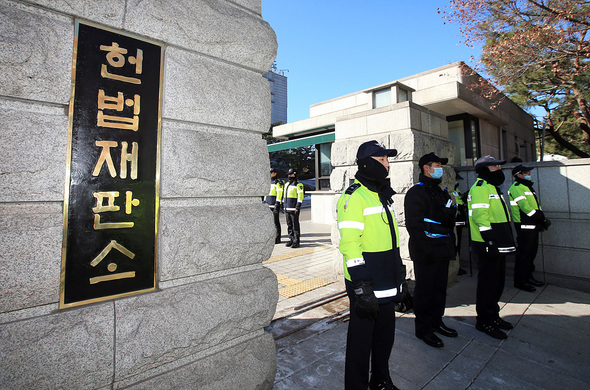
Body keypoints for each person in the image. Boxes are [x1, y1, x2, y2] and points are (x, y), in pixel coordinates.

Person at [337, 140, 403, 390]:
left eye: (388, 160)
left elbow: (391, 237)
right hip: (366, 280)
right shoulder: (354, 197)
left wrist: (399, 272)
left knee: (385, 335)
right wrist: (361, 285)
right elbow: (350, 244)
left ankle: (381, 380)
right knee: (361, 341)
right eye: (382, 160)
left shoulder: (382, 194)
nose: (387, 165)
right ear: (366, 164)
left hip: (387, 277)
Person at [404, 152, 458, 348]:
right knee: (425, 291)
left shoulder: (440, 191)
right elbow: (414, 225)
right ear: (426, 167)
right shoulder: (416, 192)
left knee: (439, 290)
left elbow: (450, 214)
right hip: (426, 252)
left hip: (443, 249)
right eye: (437, 165)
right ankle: (424, 329)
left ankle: (437, 322)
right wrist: (424, 250)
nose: (440, 168)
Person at [467, 155, 516, 340]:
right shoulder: (480, 188)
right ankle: (484, 321)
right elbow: (481, 217)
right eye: (495, 167)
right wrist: (490, 241)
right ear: (485, 169)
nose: (499, 170)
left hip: (497, 243)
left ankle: (493, 316)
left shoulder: (492, 187)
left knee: (497, 282)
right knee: (488, 284)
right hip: (487, 243)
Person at [508, 164, 551, 291]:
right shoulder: (516, 187)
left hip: (533, 224)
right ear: (519, 175)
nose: (528, 174)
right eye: (526, 172)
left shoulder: (528, 187)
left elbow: (536, 205)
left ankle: (528, 276)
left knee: (532, 253)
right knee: (524, 254)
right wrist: (540, 218)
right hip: (524, 225)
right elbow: (525, 207)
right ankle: (520, 280)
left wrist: (540, 219)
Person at [283, 168, 304, 248]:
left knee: (295, 225)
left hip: (294, 208)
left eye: (291, 174)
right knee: (289, 225)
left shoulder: (298, 184)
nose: (289, 176)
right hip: (287, 208)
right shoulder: (287, 184)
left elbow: (300, 196)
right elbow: (284, 196)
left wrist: (298, 206)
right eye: (289, 174)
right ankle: (291, 239)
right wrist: (283, 206)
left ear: (295, 174)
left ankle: (296, 241)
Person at [453, 169, 468, 275]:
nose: (457, 180)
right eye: (456, 179)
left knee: (459, 246)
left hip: (460, 221)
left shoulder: (456, 190)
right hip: (455, 222)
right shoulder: (450, 190)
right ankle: (456, 268)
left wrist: (464, 198)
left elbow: (460, 202)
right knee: (455, 246)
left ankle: (458, 267)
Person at [266, 168, 284, 244]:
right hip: (268, 204)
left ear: (275, 173)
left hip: (274, 204)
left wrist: (277, 204)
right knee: (269, 223)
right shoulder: (268, 182)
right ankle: (271, 237)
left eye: (271, 173)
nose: (269, 174)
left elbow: (280, 194)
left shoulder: (278, 182)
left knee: (275, 222)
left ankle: (277, 238)